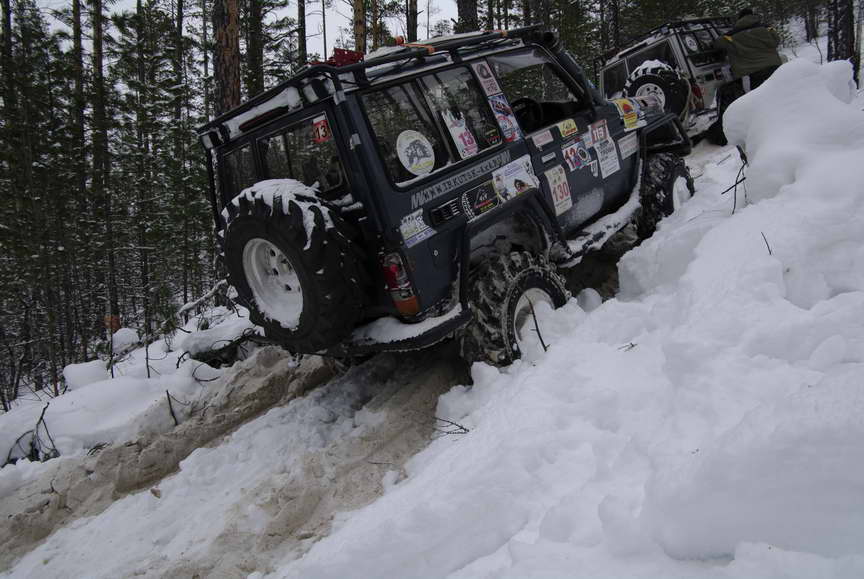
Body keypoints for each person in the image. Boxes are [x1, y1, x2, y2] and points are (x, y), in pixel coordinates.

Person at [709, 8, 783, 144]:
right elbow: (777, 40)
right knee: (780, 96)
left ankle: (765, 131)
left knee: (757, 101)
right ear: (752, 15)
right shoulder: (767, 28)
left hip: (752, 74)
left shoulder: (732, 36)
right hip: (775, 68)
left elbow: (716, 44)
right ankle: (784, 122)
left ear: (739, 18)